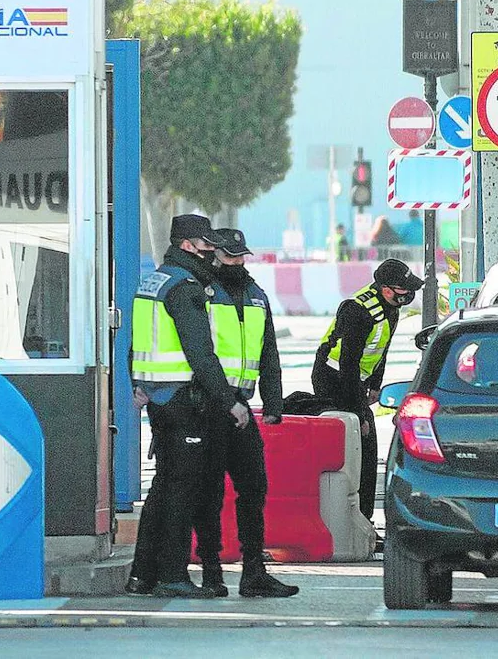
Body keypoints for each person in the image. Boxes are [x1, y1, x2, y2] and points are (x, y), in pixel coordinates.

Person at [196, 226, 299, 598]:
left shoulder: (257, 296)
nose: (237, 263)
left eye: (241, 257)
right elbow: (198, 352)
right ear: (213, 256)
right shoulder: (202, 293)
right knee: (209, 490)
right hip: (208, 404)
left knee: (254, 486)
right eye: (229, 257)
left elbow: (268, 351)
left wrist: (273, 402)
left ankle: (253, 571)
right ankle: (211, 571)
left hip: (243, 405)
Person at [125, 214, 223, 598]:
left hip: (158, 398)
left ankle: (142, 576)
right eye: (207, 246)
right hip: (184, 400)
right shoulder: (185, 287)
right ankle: (172, 576)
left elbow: (136, 341)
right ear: (188, 246)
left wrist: (138, 385)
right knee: (183, 492)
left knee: (163, 488)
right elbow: (200, 352)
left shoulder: (154, 281)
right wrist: (225, 399)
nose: (212, 253)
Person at [311, 258, 425, 527]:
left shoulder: (390, 308)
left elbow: (381, 350)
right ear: (386, 289)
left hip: (356, 381)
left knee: (366, 447)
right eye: (403, 290)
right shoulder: (358, 310)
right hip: (334, 378)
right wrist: (360, 412)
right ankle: (355, 519)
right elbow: (348, 364)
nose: (408, 296)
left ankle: (363, 520)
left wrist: (375, 385)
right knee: (357, 442)